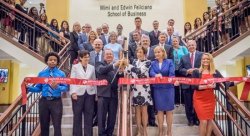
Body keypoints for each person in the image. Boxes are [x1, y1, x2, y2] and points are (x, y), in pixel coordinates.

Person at [192, 53, 236, 136]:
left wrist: (243, 79)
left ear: (210, 61)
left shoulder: (215, 72)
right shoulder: (196, 72)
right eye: (204, 59)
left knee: (210, 120)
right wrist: (207, 86)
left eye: (207, 59)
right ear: (201, 60)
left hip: (210, 99)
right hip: (199, 99)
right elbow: (194, 86)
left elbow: (227, 83)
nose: (205, 60)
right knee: (203, 121)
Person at [27, 52, 68, 136]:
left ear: (57, 62)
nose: (52, 61)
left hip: (56, 102)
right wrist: (29, 88)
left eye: (55, 60)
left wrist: (58, 87)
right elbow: (38, 88)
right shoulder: (41, 74)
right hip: (44, 102)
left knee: (57, 125)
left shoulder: (61, 74)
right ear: (47, 61)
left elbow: (66, 88)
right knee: (44, 125)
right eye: (50, 60)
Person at [96, 49, 123, 136]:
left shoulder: (116, 67)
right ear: (104, 56)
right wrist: (114, 64)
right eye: (107, 54)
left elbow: (119, 78)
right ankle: (102, 134)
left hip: (114, 95)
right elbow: (101, 70)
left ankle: (109, 133)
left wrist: (121, 72)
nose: (109, 56)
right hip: (103, 94)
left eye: (111, 54)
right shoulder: (99, 64)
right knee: (101, 117)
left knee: (112, 117)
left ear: (113, 56)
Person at [126, 46, 153, 136]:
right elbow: (129, 72)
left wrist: (129, 66)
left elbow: (140, 71)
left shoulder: (148, 62)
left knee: (144, 110)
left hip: (144, 89)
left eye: (141, 52)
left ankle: (145, 130)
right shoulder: (134, 62)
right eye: (137, 52)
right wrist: (126, 67)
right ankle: (139, 129)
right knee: (137, 111)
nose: (139, 54)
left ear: (144, 53)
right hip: (135, 88)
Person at [149, 46, 176, 136]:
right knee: (159, 110)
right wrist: (156, 75)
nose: (157, 54)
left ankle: (169, 131)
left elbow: (172, 74)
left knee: (169, 110)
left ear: (163, 53)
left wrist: (169, 80)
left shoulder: (169, 62)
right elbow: (151, 72)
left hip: (168, 89)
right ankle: (160, 131)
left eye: (158, 52)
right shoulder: (153, 63)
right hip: (158, 89)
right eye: (155, 52)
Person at [70, 50, 96, 136]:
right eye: (85, 57)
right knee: (77, 116)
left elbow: (94, 80)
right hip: (78, 94)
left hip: (89, 94)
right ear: (80, 58)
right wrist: (73, 92)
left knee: (89, 116)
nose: (87, 58)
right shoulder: (75, 67)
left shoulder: (92, 67)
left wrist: (95, 93)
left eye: (88, 57)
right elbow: (72, 80)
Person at [178, 39, 203, 126]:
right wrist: (187, 71)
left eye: (192, 45)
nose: (191, 47)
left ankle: (197, 119)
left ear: (195, 45)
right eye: (189, 45)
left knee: (197, 103)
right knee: (188, 103)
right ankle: (190, 120)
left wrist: (197, 70)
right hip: (187, 84)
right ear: (187, 47)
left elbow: (205, 66)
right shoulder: (183, 57)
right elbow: (179, 69)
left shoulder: (202, 55)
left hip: (198, 84)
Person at [172, 36, 188, 106]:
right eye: (173, 41)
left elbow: (187, 56)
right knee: (175, 85)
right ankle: (177, 102)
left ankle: (184, 102)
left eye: (176, 41)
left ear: (178, 41)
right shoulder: (170, 49)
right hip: (174, 69)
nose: (175, 42)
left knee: (183, 85)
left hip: (182, 69)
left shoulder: (183, 48)